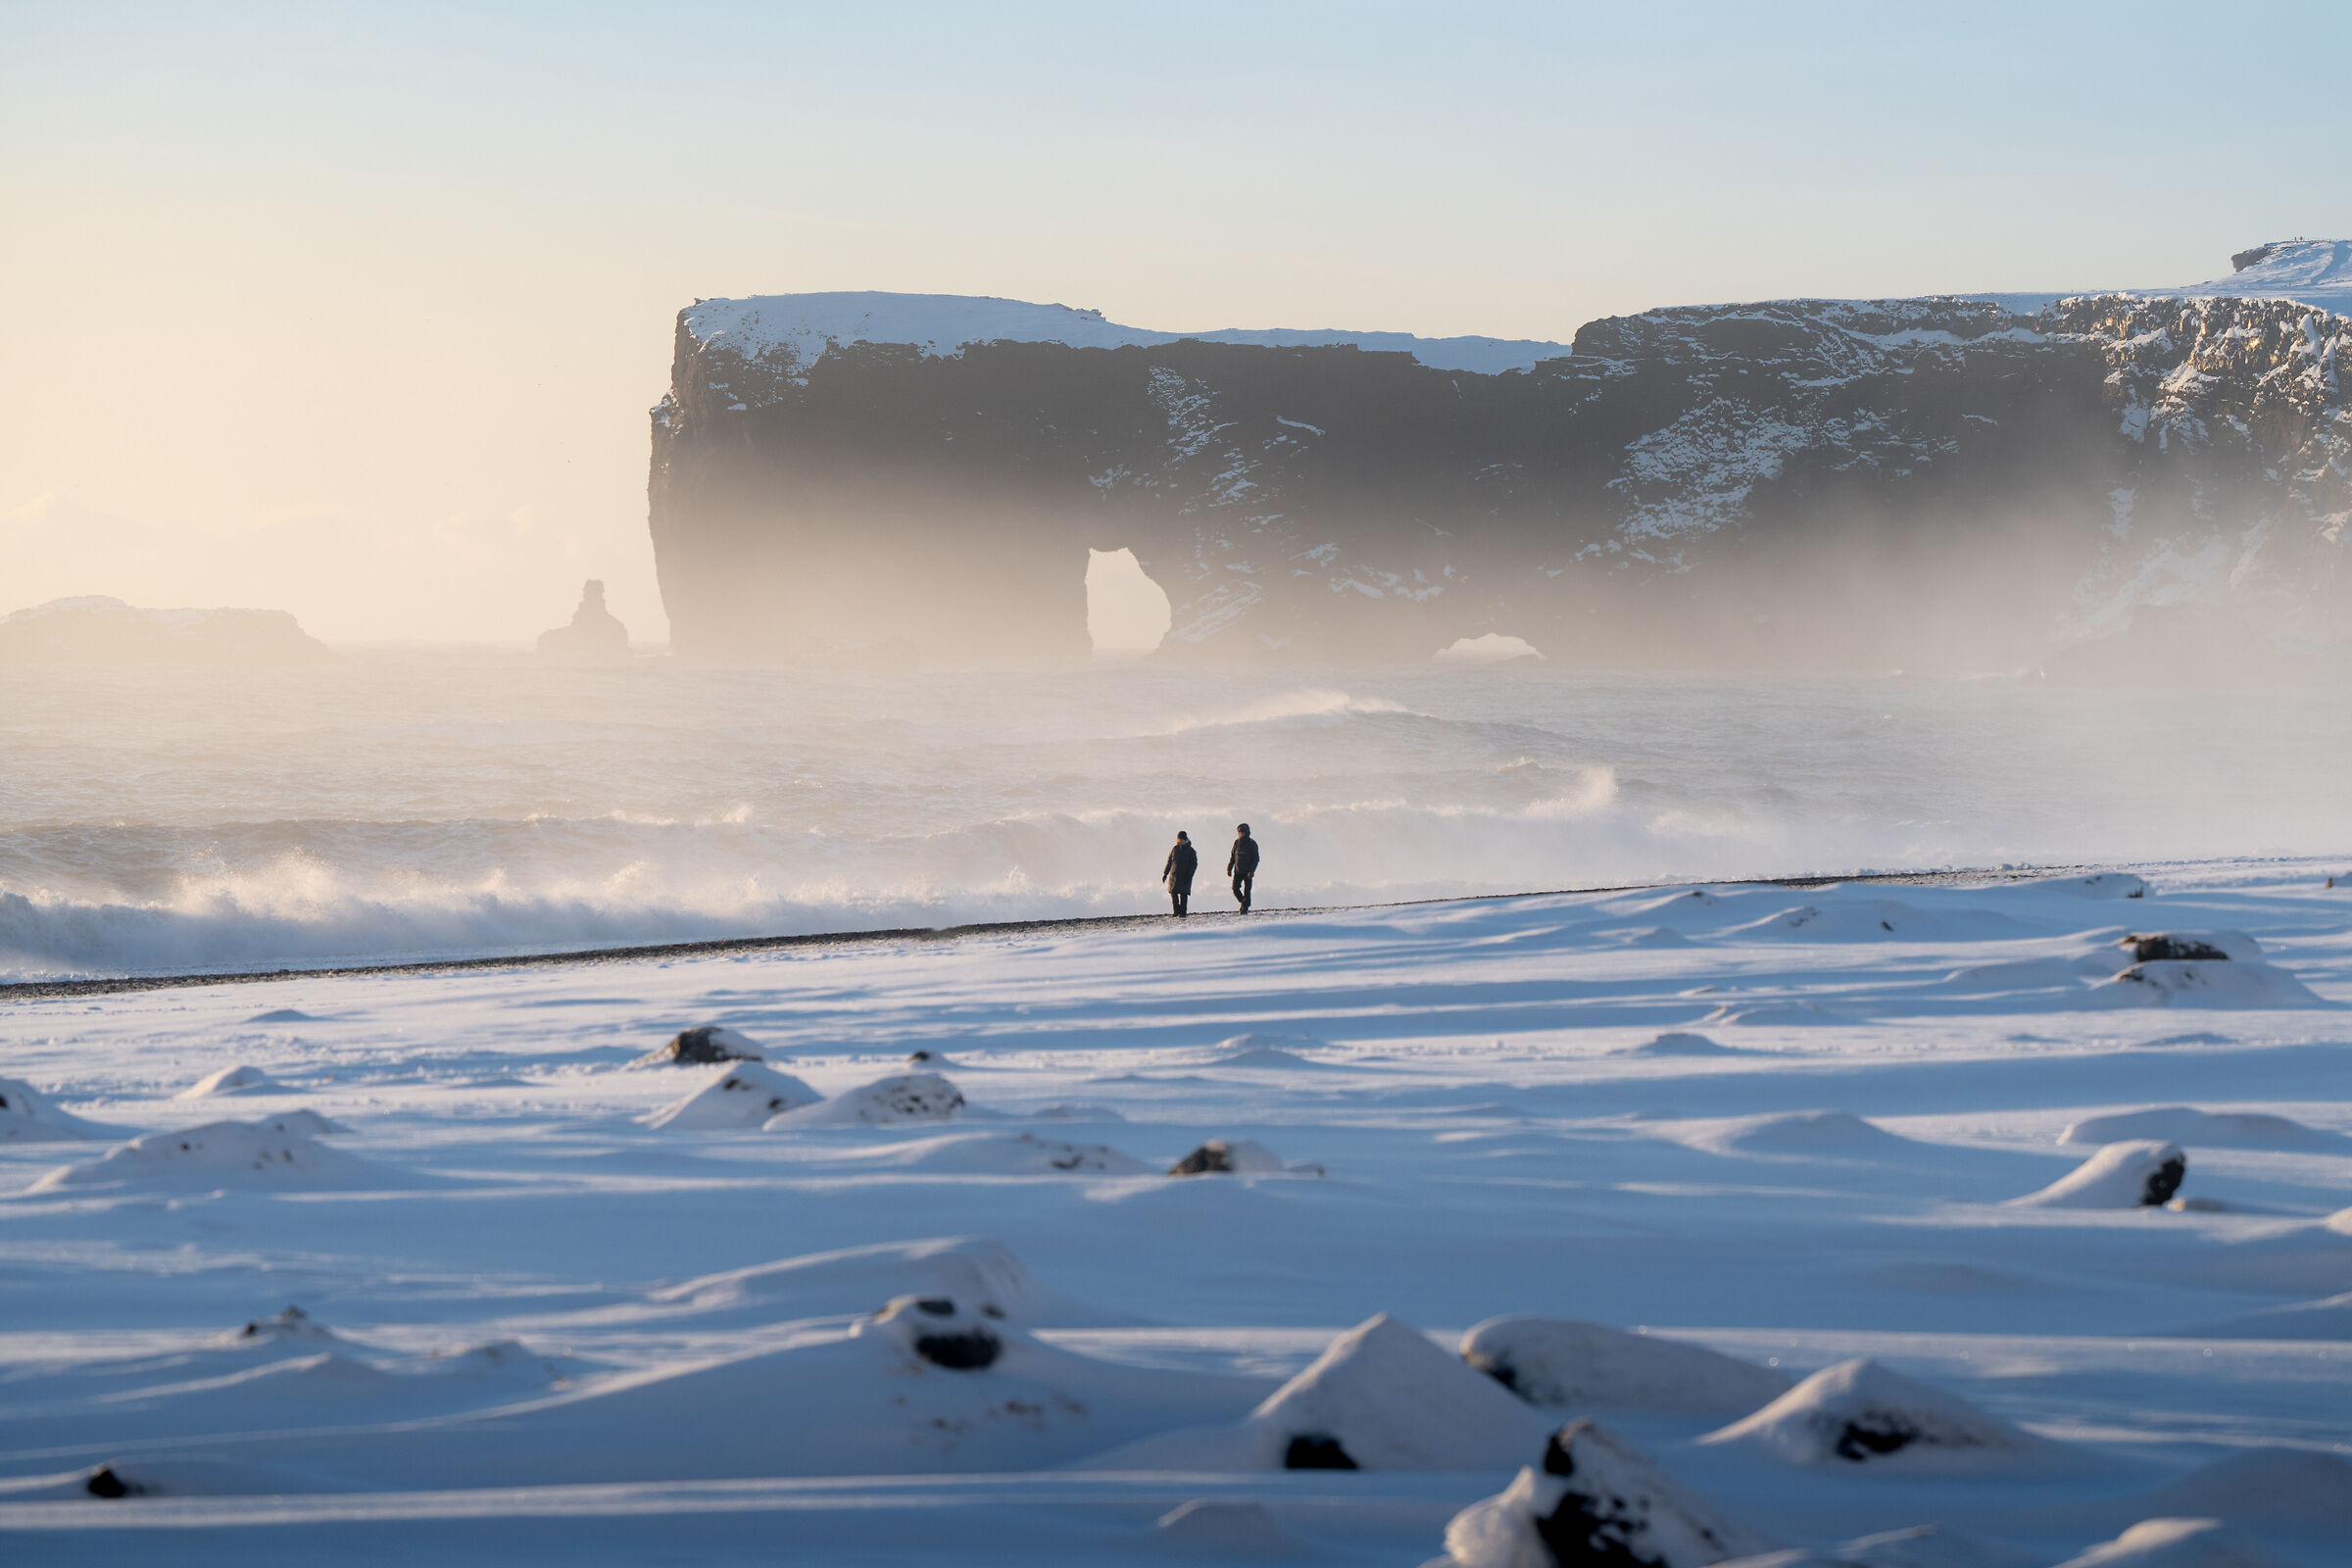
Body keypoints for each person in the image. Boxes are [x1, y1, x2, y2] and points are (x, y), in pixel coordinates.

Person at [1161, 830, 1198, 916]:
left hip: (1185, 876)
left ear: (1185, 840)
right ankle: (1176, 912)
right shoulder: (1175, 849)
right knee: (1173, 894)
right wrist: (1165, 874)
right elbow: (1169, 862)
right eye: (1178, 839)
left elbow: (1194, 864)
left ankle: (1183, 913)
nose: (1179, 841)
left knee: (1183, 895)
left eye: (1181, 839)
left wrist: (1190, 875)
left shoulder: (1191, 851)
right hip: (1174, 876)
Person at [1228, 822, 1259, 912]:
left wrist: (1252, 871)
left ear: (1247, 833)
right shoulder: (1236, 843)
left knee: (1247, 891)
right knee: (1235, 888)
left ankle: (1244, 908)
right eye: (1239, 832)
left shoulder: (1252, 844)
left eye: (1242, 832)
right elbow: (1233, 856)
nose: (1241, 834)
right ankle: (1244, 902)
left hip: (1248, 872)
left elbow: (1256, 859)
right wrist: (1229, 868)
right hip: (1237, 871)